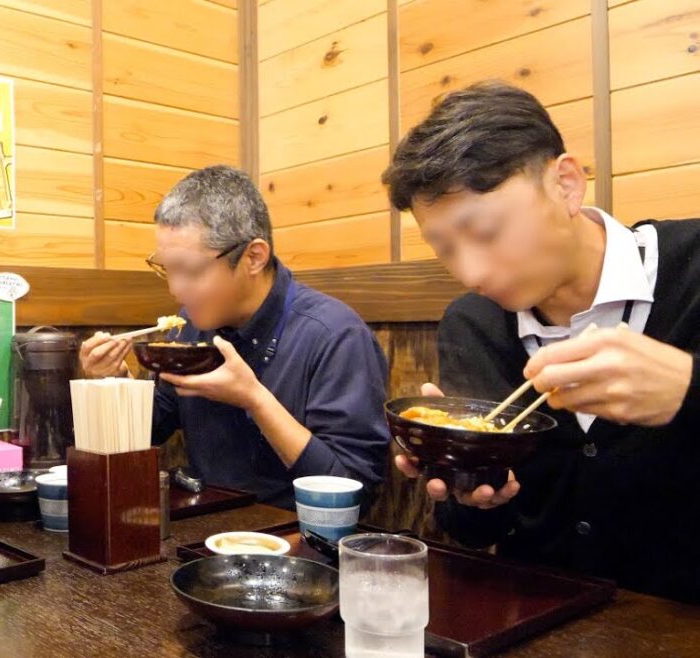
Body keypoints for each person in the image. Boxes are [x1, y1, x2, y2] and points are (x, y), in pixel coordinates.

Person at [384, 81, 700, 603]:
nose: (471, 271)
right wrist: (466, 487)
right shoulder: (474, 324)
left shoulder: (691, 268)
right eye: (443, 247)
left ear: (566, 184)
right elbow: (477, 531)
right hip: (538, 619)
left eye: (486, 231)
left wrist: (688, 389)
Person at [80, 165, 390, 510]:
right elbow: (152, 429)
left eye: (191, 270)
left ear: (254, 257)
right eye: (167, 268)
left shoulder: (334, 335)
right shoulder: (191, 326)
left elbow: (353, 489)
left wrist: (254, 399)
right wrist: (114, 381)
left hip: (299, 545)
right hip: (204, 531)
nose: (175, 289)